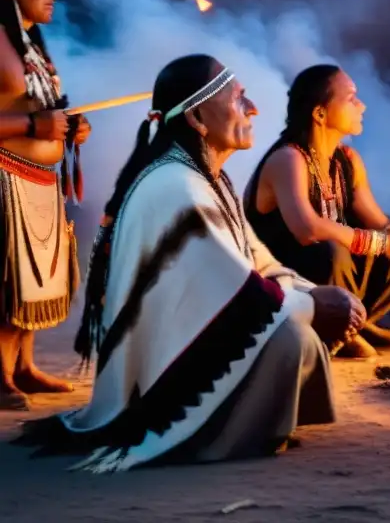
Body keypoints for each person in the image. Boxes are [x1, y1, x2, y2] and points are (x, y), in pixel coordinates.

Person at [15, 55, 364, 471]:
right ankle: (216, 432)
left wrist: (314, 293)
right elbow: (240, 292)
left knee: (296, 326)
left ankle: (254, 420)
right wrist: (314, 306)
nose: (253, 109)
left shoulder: (204, 176)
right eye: (239, 100)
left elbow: (257, 260)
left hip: (185, 340)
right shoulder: (176, 185)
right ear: (199, 117)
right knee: (289, 335)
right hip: (163, 378)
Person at [245, 64, 390, 356]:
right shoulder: (289, 159)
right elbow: (307, 229)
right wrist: (386, 243)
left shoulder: (347, 160)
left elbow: (379, 221)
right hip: (281, 288)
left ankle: (350, 326)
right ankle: (326, 329)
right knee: (334, 248)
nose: (361, 105)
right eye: (351, 98)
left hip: (328, 284)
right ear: (319, 114)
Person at [0, 0, 91, 410]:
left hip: (38, 181)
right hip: (5, 181)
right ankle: (0, 375)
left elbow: (43, 107)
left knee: (32, 285)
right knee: (6, 282)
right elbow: (27, 115)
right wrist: (34, 124)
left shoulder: (31, 46)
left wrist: (67, 129)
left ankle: (24, 366)